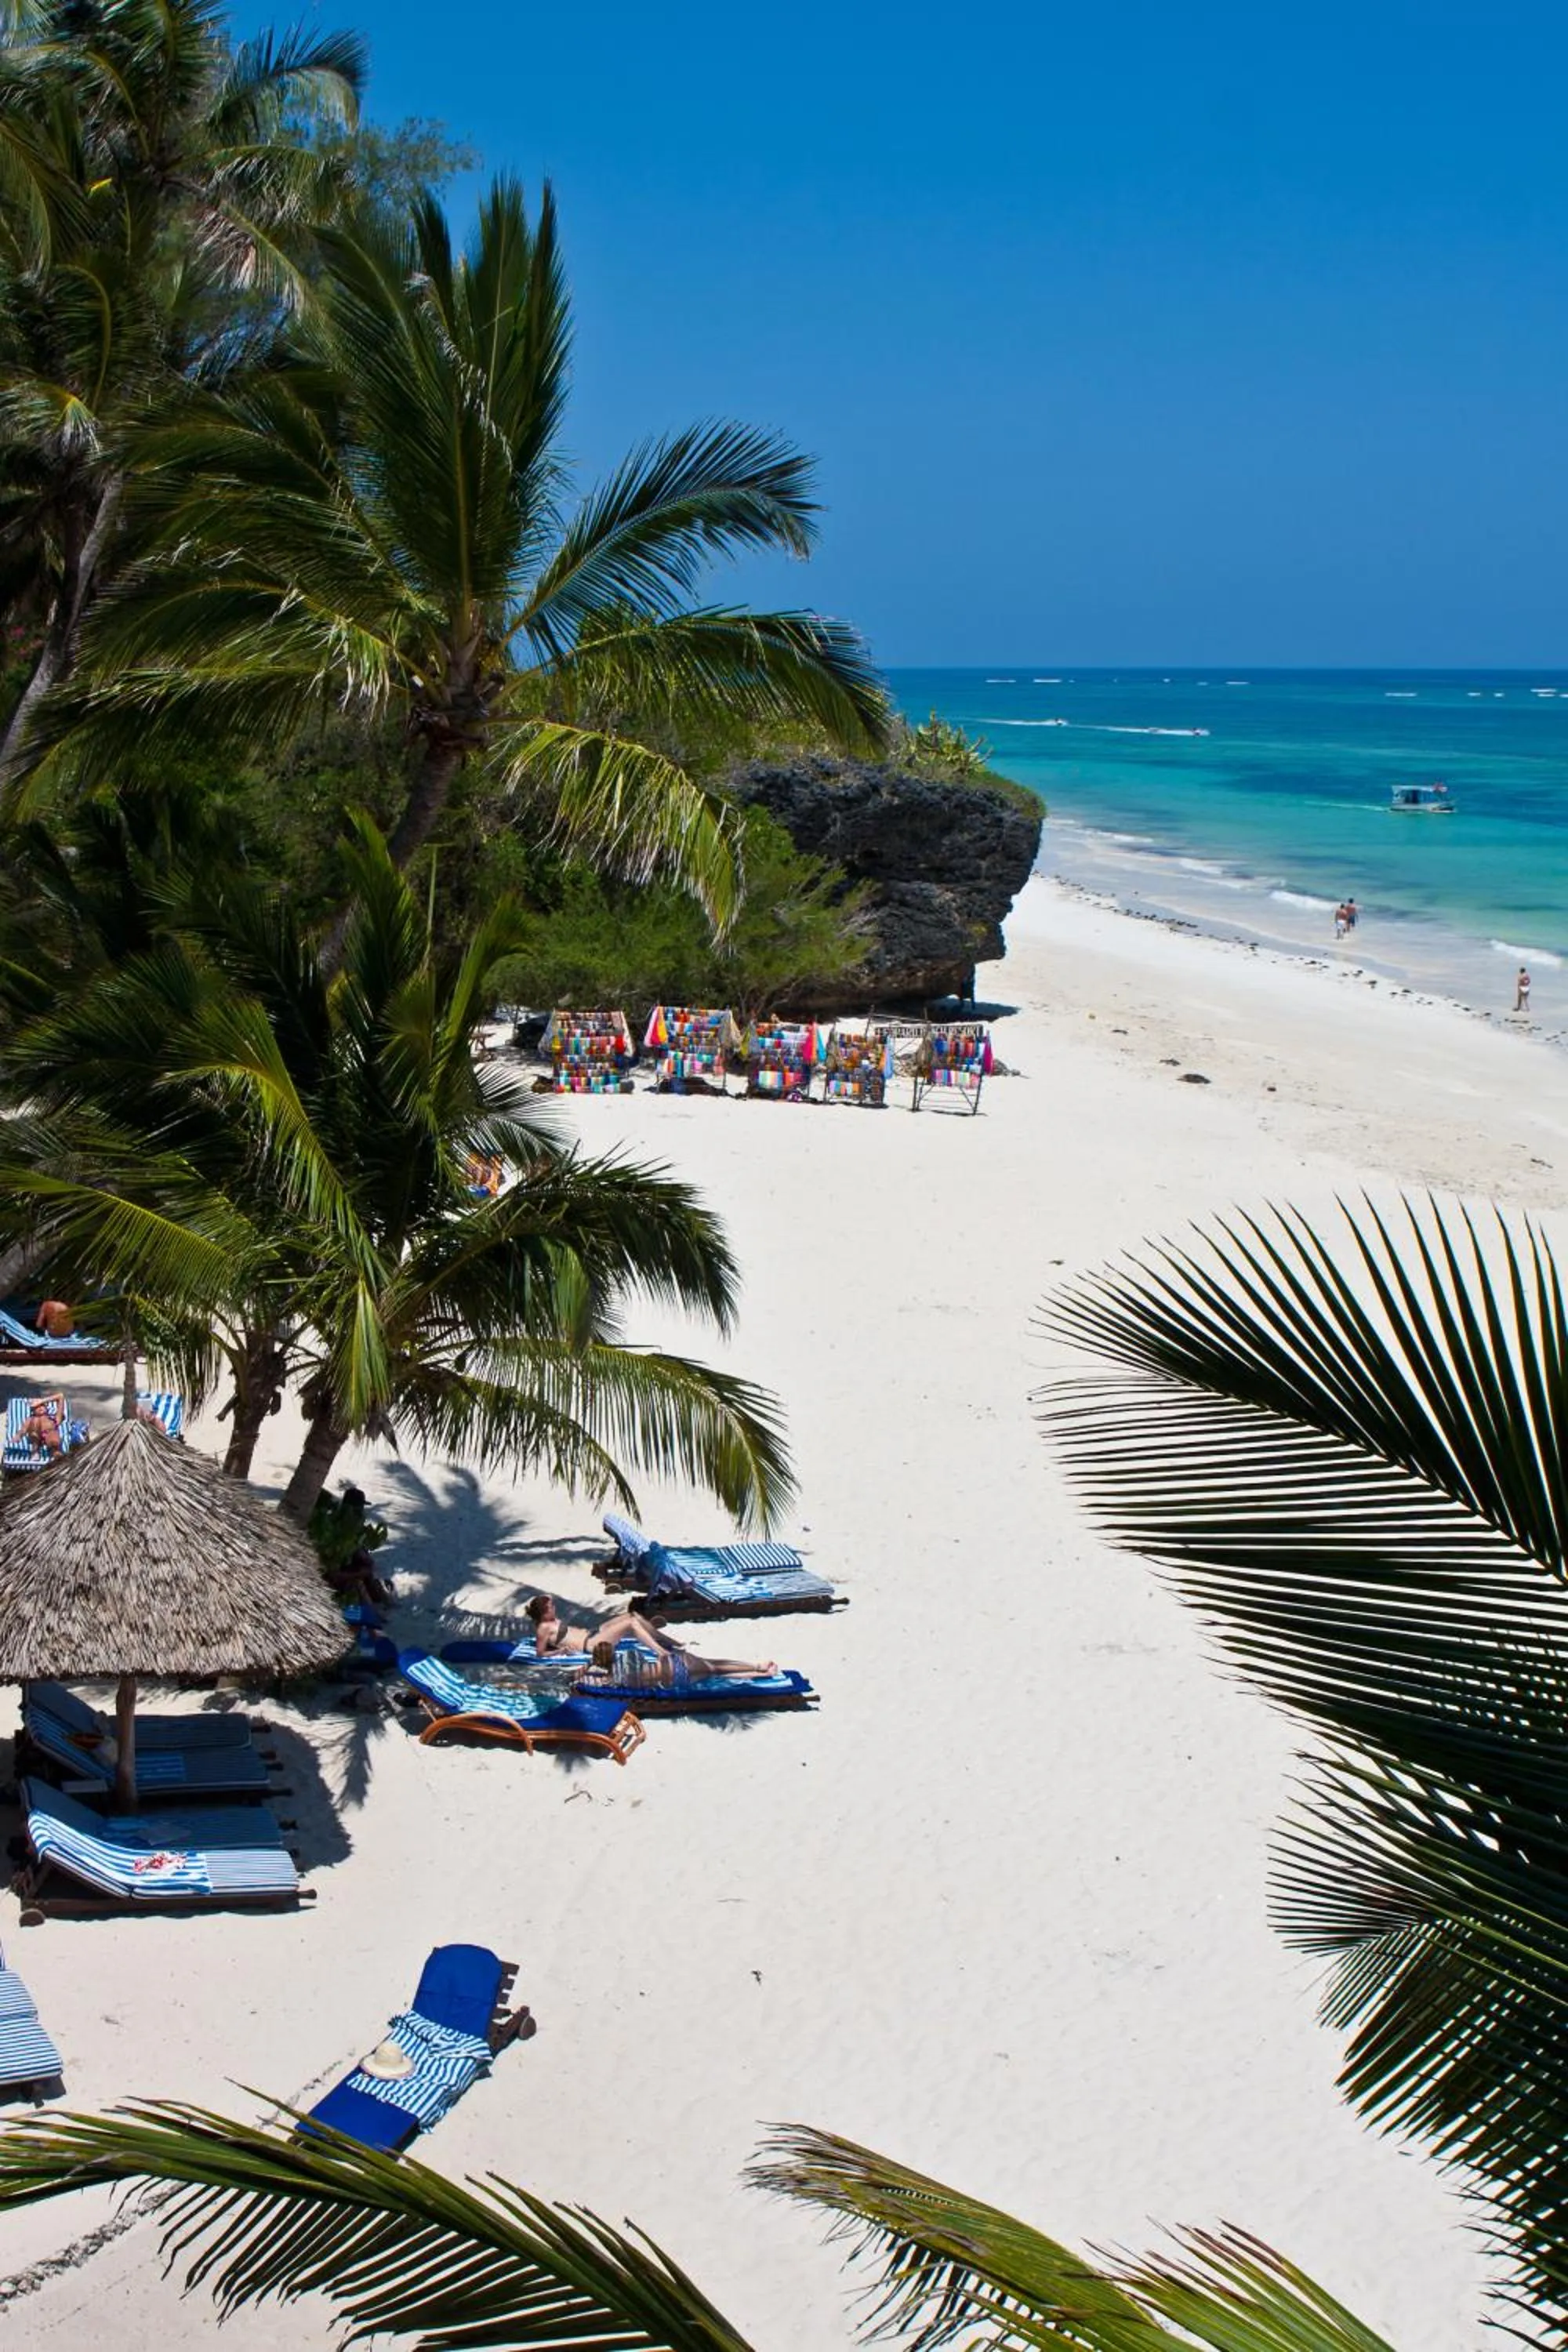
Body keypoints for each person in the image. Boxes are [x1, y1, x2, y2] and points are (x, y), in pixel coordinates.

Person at [525, 1592, 772, 1673]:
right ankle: (662, 1651)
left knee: (631, 1616)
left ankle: (670, 1640)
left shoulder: (551, 1621)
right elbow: (539, 1654)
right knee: (631, 1626)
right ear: (542, 1612)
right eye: (550, 1606)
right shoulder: (544, 1627)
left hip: (593, 1633)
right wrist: (559, 1652)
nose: (554, 1607)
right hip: (593, 1645)